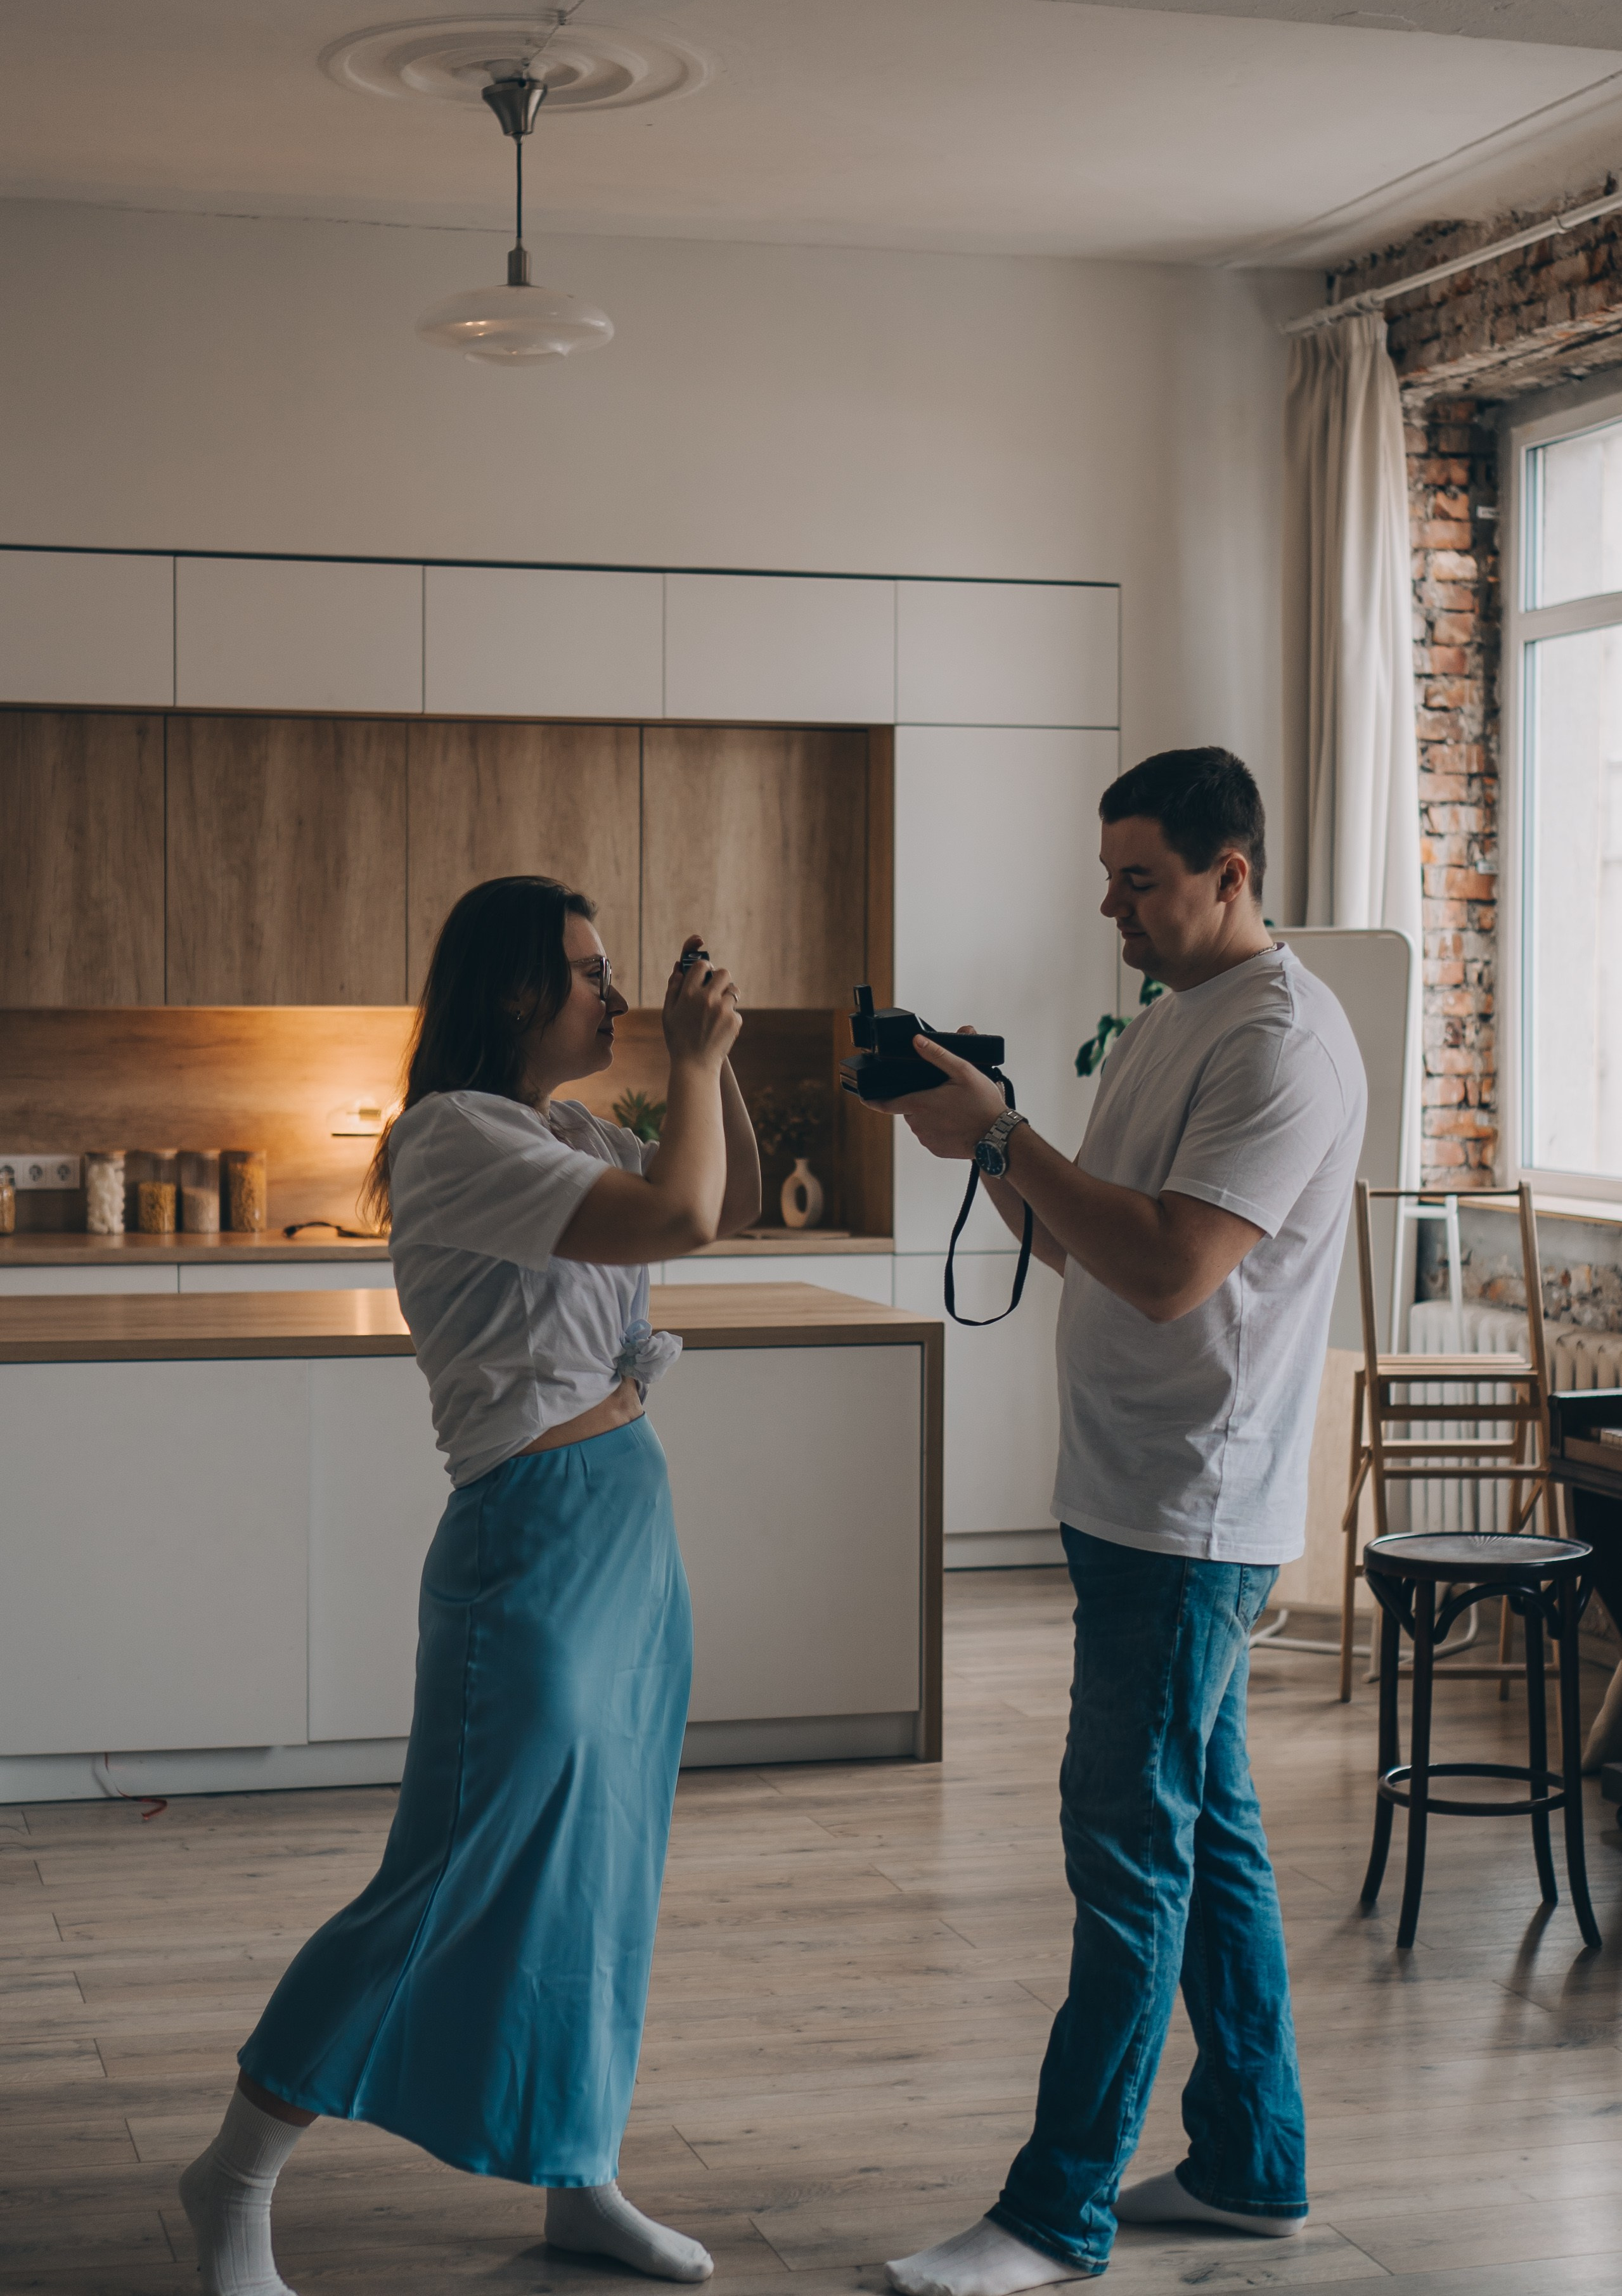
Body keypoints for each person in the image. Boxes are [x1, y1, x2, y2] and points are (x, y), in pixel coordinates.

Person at [180, 875, 761, 2296]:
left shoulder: (567, 1125)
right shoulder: (451, 1141)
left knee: (601, 1868)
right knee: (451, 1869)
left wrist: (715, 1066)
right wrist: (684, 1064)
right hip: (529, 1529)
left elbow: (724, 1200)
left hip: (626, 1512)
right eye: (585, 971)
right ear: (508, 991)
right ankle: (232, 2174)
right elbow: (676, 1226)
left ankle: (576, 2174)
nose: (611, 994)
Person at [879, 748, 1365, 2290]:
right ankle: (1247, 2169)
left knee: (1125, 1855)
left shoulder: (1281, 1042)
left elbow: (1169, 1270)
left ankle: (1053, 2212)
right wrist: (990, 1145)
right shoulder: (1172, 1020)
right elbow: (1097, 1236)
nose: (1112, 908)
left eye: (1140, 878)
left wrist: (1015, 1142)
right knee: (1204, 1844)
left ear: (1233, 872)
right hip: (1129, 1494)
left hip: (1189, 1510)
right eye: (1108, 878)